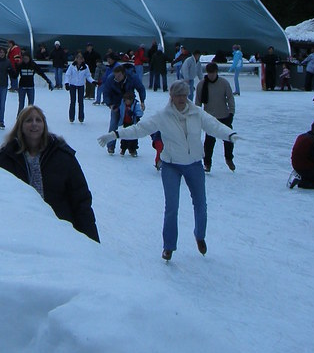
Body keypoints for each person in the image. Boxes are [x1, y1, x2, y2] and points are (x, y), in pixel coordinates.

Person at [98, 80, 238, 258]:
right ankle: (169, 245)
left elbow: (214, 126)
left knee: (200, 203)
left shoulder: (196, 113)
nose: (181, 98)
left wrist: (230, 134)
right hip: (171, 164)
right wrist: (115, 134)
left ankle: (200, 236)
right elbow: (139, 129)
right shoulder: (163, 116)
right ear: (171, 96)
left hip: (194, 163)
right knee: (172, 206)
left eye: (184, 95)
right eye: (178, 95)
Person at [0, 105, 99, 241]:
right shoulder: (6, 158)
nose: (34, 124)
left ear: (44, 124)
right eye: (28, 120)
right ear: (20, 126)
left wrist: (91, 239)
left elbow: (80, 198)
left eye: (38, 120)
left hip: (60, 230)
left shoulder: (62, 156)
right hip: (19, 232)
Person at [196, 62, 236, 172]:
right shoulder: (202, 85)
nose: (211, 75)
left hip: (224, 116)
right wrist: (198, 116)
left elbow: (230, 98)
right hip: (209, 118)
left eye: (213, 73)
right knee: (209, 142)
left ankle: (229, 158)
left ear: (216, 72)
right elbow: (198, 102)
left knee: (228, 139)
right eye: (209, 73)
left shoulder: (224, 83)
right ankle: (207, 164)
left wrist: (231, 112)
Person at [100, 62, 147, 154]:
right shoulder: (111, 79)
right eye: (115, 76)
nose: (116, 78)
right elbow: (106, 93)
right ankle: (111, 146)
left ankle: (132, 148)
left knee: (132, 126)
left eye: (118, 76)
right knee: (113, 124)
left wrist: (142, 101)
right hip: (116, 104)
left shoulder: (132, 77)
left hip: (129, 104)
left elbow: (141, 88)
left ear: (124, 74)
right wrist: (110, 105)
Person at [289, 121, 314, 189]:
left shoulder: (301, 136)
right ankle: (301, 183)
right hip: (305, 168)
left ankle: (303, 179)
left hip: (295, 165)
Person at [64, 51, 93, 124]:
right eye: (78, 58)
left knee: (81, 102)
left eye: (81, 59)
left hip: (81, 85)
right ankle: (71, 117)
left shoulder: (85, 67)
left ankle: (81, 117)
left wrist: (93, 81)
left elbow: (88, 76)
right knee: (72, 101)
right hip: (73, 85)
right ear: (76, 59)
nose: (79, 60)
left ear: (83, 59)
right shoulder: (72, 66)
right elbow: (67, 75)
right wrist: (67, 83)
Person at [118, 89, 144, 156]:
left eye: (128, 100)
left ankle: (133, 149)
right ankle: (123, 148)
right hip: (125, 123)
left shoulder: (136, 104)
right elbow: (120, 109)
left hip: (133, 123)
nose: (126, 102)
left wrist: (134, 114)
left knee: (133, 137)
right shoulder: (122, 103)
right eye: (125, 100)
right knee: (124, 136)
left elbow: (140, 112)